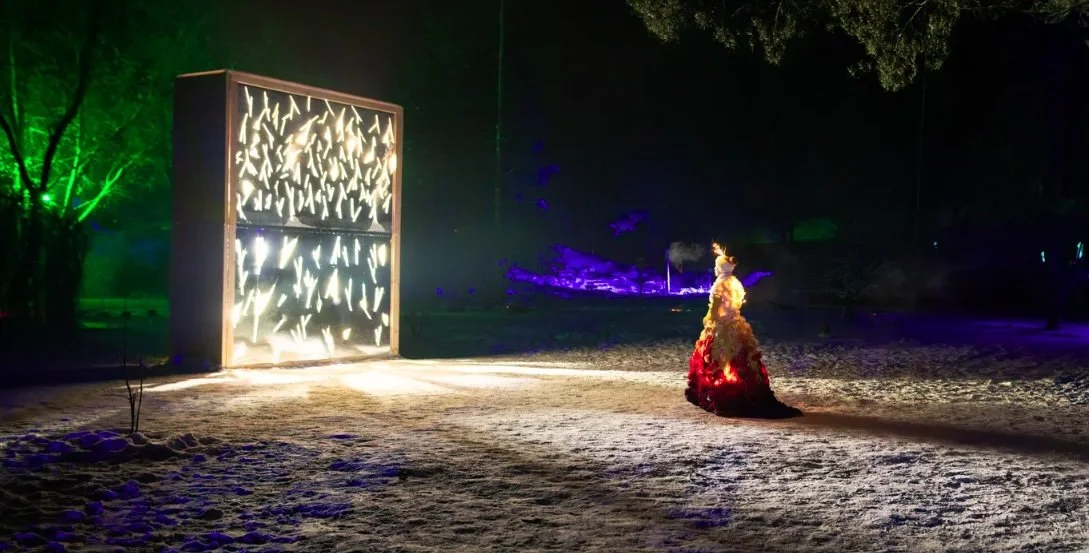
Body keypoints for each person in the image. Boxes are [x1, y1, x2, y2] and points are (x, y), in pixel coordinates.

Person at [686, 244, 801, 418]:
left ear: (719, 268)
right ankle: (740, 385)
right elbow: (739, 302)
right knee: (741, 357)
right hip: (736, 323)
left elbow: (715, 308)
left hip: (722, 327)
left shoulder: (720, 284)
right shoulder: (735, 282)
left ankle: (725, 391)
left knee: (721, 357)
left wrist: (708, 318)